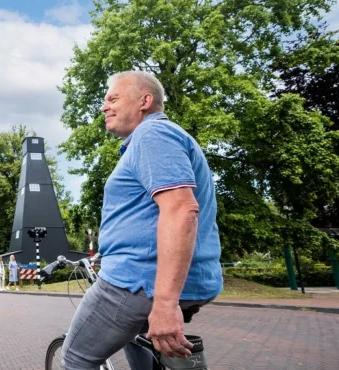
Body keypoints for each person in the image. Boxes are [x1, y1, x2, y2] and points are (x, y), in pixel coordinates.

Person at [61, 71, 223, 369]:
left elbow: (181, 210)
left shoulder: (153, 135)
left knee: (76, 358)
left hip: (139, 281)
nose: (103, 106)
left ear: (144, 101)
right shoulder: (162, 139)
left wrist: (164, 303)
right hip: (184, 280)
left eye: (113, 98)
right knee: (139, 346)